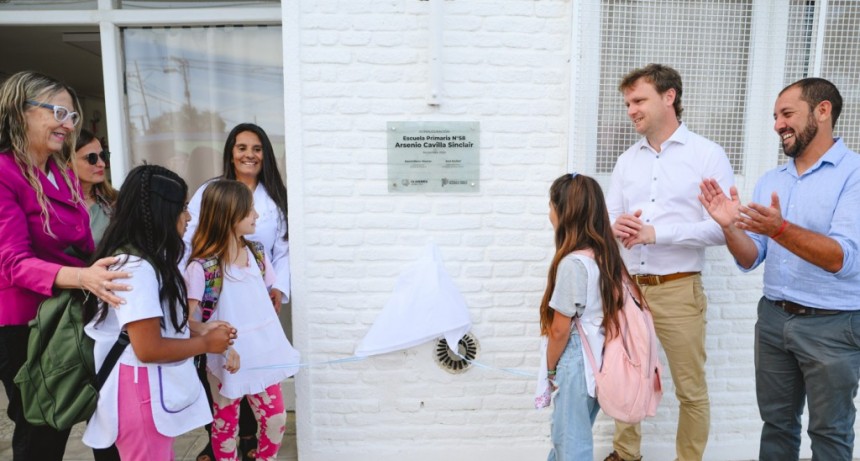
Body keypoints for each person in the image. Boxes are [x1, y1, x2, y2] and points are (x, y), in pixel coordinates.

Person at [700, 77, 860, 461]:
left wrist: (780, 229)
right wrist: (728, 225)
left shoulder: (854, 174)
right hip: (773, 321)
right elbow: (751, 256)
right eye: (775, 116)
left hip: (833, 327)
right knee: (776, 426)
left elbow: (843, 258)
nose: (777, 124)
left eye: (787, 114)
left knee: (830, 433)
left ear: (823, 112)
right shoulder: (773, 180)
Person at [605, 64, 734, 461]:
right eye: (628, 103)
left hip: (679, 289)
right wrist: (616, 227)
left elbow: (722, 230)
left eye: (639, 100)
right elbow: (607, 223)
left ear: (669, 97)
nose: (631, 110)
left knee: (690, 389)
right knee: (627, 379)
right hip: (630, 290)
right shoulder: (627, 161)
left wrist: (657, 234)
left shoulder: (707, 155)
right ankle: (626, 455)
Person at [0, 70, 130, 461]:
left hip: (67, 316)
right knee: (41, 428)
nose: (67, 124)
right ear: (21, 112)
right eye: (58, 112)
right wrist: (83, 277)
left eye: (72, 116)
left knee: (87, 414)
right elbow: (12, 262)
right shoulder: (5, 173)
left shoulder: (58, 172)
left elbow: (83, 246)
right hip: (24, 326)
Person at [81, 164, 237, 461]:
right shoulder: (135, 268)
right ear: (161, 212)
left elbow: (151, 324)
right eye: (183, 208)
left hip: (143, 391)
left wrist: (199, 329)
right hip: (139, 394)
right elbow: (148, 347)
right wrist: (206, 345)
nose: (188, 217)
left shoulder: (146, 260)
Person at [185, 122, 290, 461]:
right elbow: (190, 240)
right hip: (225, 342)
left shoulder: (259, 251)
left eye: (257, 148)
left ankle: (257, 451)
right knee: (225, 417)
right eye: (242, 147)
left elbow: (284, 249)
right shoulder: (203, 267)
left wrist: (278, 289)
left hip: (260, 337)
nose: (249, 154)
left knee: (272, 416)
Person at [540, 172, 645, 460]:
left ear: (564, 212)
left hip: (575, 364)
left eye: (551, 205)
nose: (548, 212)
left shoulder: (573, 264)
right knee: (568, 439)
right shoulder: (604, 256)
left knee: (570, 445)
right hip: (596, 360)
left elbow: (560, 330)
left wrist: (549, 370)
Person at [71, 128, 116, 246]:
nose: (102, 163)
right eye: (91, 158)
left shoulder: (116, 201)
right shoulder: (49, 206)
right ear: (67, 162)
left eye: (103, 155)